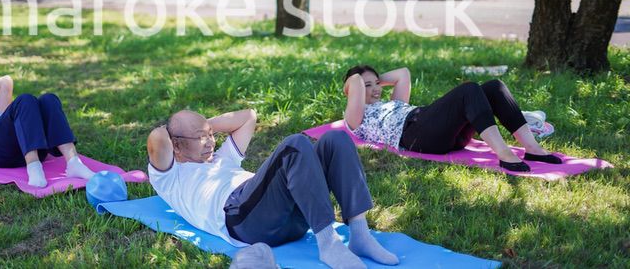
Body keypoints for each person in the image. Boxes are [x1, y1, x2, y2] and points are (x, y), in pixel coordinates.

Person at [147, 108, 399, 269]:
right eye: (202, 137)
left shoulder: (221, 158)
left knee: (336, 138)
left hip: (287, 219)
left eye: (211, 134)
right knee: (294, 145)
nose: (211, 141)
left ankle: (360, 235)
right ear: (176, 146)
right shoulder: (170, 177)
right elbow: (158, 137)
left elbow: (249, 116)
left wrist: (201, 126)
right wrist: (182, 130)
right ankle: (329, 244)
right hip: (243, 218)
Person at [342, 65, 562, 172]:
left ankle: (532, 148)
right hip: (417, 134)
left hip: (439, 131)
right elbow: (355, 81)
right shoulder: (356, 117)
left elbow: (403, 73)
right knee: (468, 90)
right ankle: (503, 153)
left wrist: (375, 80)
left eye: (377, 84)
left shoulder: (392, 103)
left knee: (494, 87)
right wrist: (361, 83)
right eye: (367, 85)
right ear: (353, 90)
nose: (375, 89)